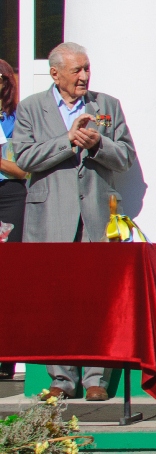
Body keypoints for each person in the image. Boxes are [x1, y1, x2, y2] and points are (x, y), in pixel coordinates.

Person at [12, 42, 137, 401]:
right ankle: (62, 378)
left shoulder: (106, 105)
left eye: (87, 69)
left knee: (98, 299)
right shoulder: (31, 108)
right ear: (55, 74)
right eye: (76, 70)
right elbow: (24, 158)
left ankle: (97, 379)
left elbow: (126, 157)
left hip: (97, 217)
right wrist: (67, 140)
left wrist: (97, 144)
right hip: (50, 216)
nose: (84, 76)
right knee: (56, 300)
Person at [0, 59, 27, 381]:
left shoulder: (17, 119)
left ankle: (6, 357)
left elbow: (23, 169)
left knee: (8, 274)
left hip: (9, 195)